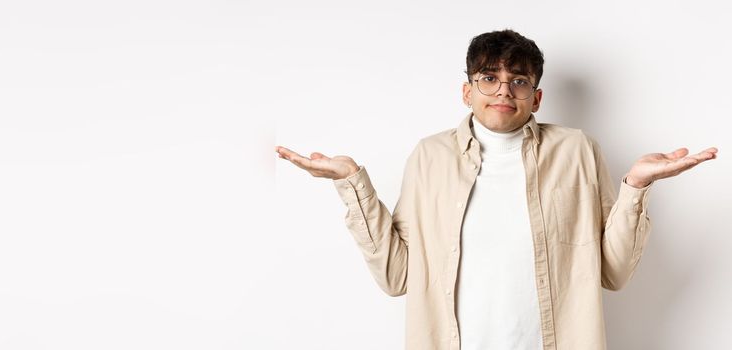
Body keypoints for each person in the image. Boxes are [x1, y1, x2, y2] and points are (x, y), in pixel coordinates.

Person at [274, 29, 717, 350]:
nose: (504, 90)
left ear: (536, 97)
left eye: (519, 80)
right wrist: (354, 184)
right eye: (489, 78)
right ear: (468, 91)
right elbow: (397, 277)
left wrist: (636, 187)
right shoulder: (430, 156)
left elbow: (613, 273)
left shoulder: (577, 149)